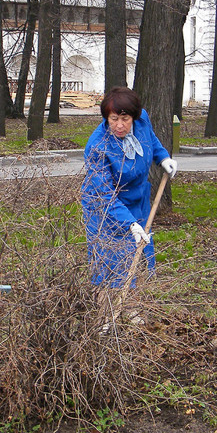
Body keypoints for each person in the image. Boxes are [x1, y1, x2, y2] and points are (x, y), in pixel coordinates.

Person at [81, 87, 177, 289]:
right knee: (112, 263)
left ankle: (133, 308)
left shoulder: (142, 120)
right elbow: (104, 194)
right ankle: (106, 312)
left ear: (134, 116)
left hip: (137, 201)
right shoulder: (98, 146)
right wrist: (129, 224)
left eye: (125, 119)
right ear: (106, 117)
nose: (119, 125)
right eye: (113, 119)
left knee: (139, 255)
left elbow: (150, 138)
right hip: (105, 209)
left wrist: (163, 157)